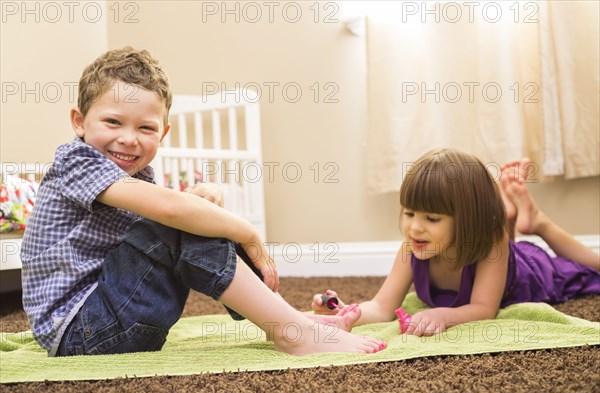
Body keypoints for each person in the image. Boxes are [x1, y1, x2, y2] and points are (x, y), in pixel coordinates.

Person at [21, 47, 386, 357]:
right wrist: (247, 233)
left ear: (163, 133)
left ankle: (290, 320)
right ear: (79, 122)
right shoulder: (76, 161)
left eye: (145, 128)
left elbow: (159, 230)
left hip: (117, 315)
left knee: (190, 220)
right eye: (113, 122)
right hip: (79, 333)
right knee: (181, 221)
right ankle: (293, 331)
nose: (129, 139)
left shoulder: (139, 177)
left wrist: (203, 203)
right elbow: (169, 213)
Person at [312, 149, 600, 336]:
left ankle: (536, 221)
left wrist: (443, 315)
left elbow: (484, 309)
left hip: (531, 270)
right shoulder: (412, 246)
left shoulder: (490, 244)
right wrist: (348, 312)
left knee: (589, 269)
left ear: (468, 220)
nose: (414, 227)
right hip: (493, 236)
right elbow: (382, 306)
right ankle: (508, 214)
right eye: (409, 213)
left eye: (432, 219)